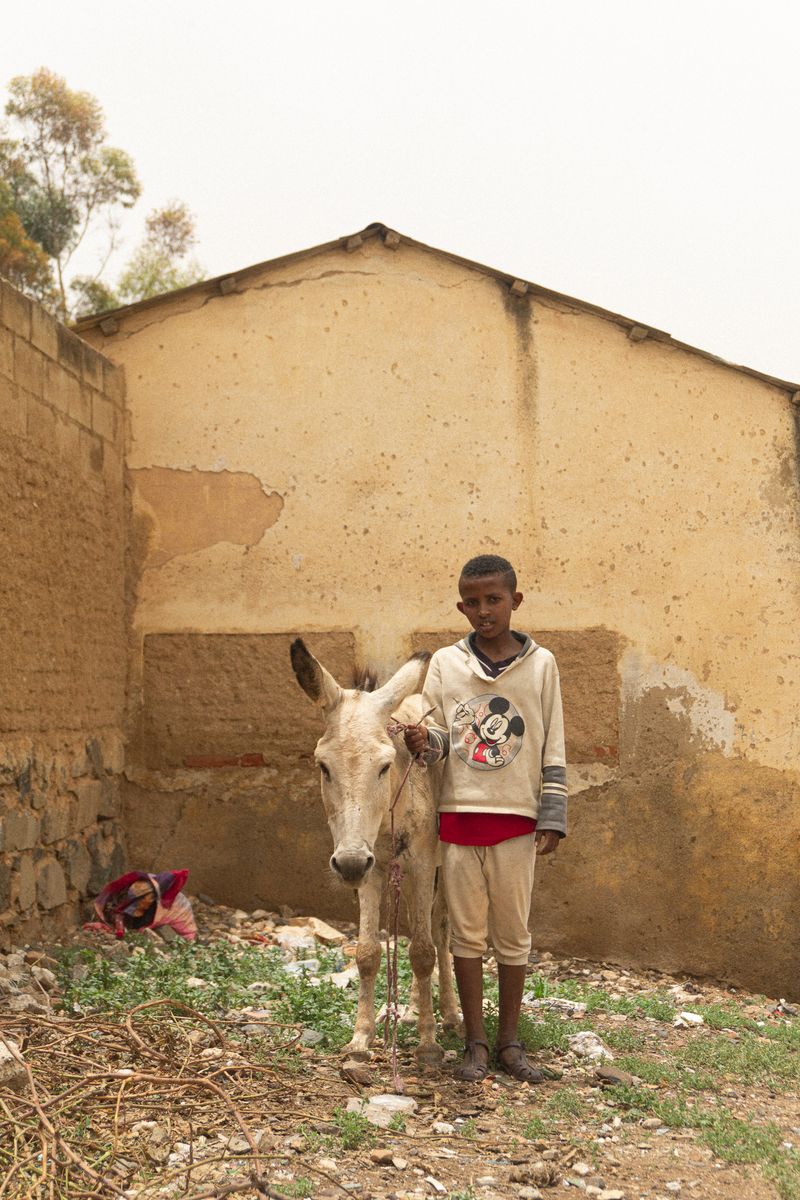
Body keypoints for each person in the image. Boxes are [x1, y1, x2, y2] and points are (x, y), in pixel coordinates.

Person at [404, 553, 567, 1083]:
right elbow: (437, 738)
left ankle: (509, 1044)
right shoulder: (446, 666)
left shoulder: (541, 666)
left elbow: (552, 742)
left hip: (517, 821)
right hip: (459, 818)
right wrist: (421, 741)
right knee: (466, 936)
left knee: (513, 934)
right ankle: (475, 1043)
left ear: (515, 601)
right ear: (461, 607)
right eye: (472, 603)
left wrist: (552, 814)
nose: (483, 611)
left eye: (494, 600)